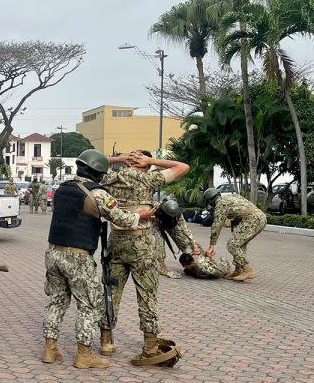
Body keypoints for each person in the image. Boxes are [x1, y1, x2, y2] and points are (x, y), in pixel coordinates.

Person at [41, 149, 156, 370]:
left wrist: (119, 158)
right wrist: (141, 215)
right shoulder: (98, 193)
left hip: (53, 253)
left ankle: (50, 349)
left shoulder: (62, 189)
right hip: (78, 257)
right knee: (89, 305)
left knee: (56, 301)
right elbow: (121, 218)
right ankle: (84, 355)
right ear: (99, 173)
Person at [98, 150, 189, 364]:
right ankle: (149, 345)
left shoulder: (111, 177)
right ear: (144, 166)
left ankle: (106, 340)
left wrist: (119, 159)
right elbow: (183, 166)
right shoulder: (149, 178)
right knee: (147, 295)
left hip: (116, 243)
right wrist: (151, 160)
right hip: (142, 245)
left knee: (111, 293)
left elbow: (91, 161)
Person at [204, 187, 266, 281]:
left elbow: (217, 224)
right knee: (240, 244)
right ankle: (238, 270)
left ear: (210, 200)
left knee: (232, 245)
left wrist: (212, 244)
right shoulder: (232, 196)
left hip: (252, 219)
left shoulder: (221, 204)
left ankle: (247, 269)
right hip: (261, 217)